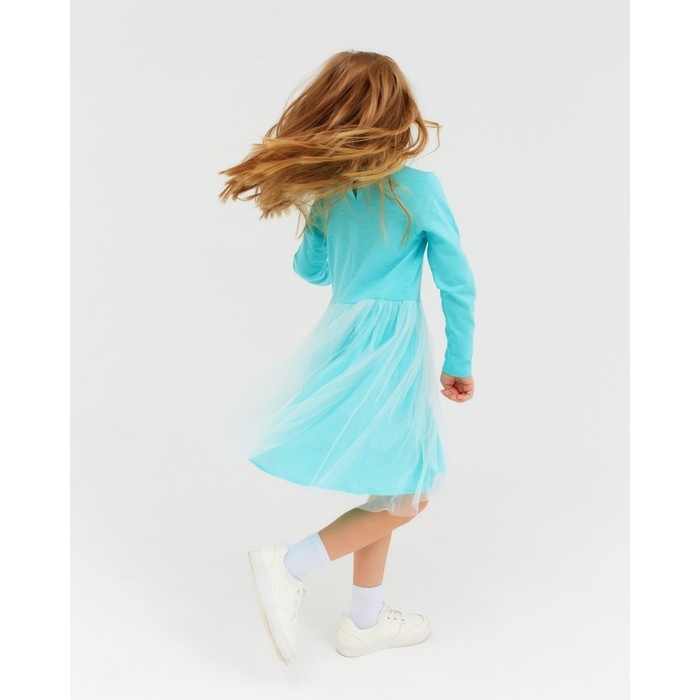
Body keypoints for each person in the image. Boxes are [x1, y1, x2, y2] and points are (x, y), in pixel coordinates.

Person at [219, 50, 476, 664]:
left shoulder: (332, 194)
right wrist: (459, 359)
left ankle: (364, 620)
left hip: (345, 336)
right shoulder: (419, 188)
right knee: (411, 494)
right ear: (398, 112)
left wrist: (319, 217)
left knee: (390, 488)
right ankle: (293, 564)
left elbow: (311, 271)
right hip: (392, 345)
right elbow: (457, 282)